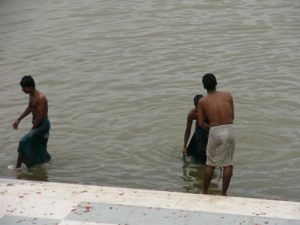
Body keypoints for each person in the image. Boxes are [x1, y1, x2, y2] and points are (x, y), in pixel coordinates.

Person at [197, 73, 235, 196]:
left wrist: (211, 131)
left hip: (214, 130)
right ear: (216, 83)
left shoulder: (202, 101)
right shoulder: (228, 95)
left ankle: (204, 192)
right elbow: (232, 117)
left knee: (210, 164)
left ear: (204, 86)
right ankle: (224, 193)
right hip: (229, 129)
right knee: (228, 163)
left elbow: (201, 123)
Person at [12, 75, 51, 168]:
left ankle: (18, 168)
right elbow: (30, 107)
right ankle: (46, 162)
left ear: (31, 87)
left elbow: (40, 118)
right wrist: (19, 119)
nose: (22, 90)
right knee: (37, 146)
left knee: (23, 142)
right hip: (36, 123)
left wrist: (32, 130)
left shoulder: (41, 98)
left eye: (24, 88)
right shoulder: (31, 95)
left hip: (42, 125)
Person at [182, 95, 208, 164]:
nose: (199, 109)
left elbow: (217, 127)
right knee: (194, 153)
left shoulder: (211, 112)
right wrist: (184, 146)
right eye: (197, 107)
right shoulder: (192, 114)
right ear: (194, 105)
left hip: (210, 129)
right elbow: (188, 130)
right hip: (199, 128)